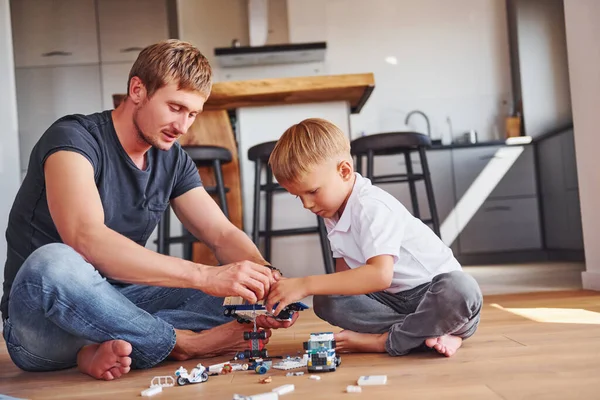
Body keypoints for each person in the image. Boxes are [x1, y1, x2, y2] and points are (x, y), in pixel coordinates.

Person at [1, 39, 295, 381]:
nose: (183, 126)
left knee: (235, 291)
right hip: (44, 323)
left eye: (193, 114)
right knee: (54, 261)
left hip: (117, 305)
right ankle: (179, 344)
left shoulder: (171, 158)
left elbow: (220, 233)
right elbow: (86, 239)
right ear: (137, 90)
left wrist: (264, 279)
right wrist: (206, 276)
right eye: (175, 107)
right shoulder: (72, 140)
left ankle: (102, 350)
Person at [265, 118, 482, 357]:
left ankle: (387, 341)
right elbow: (344, 279)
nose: (307, 204)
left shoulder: (370, 206)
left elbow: (380, 275)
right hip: (393, 301)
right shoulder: (332, 212)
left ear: (344, 171)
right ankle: (427, 332)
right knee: (327, 300)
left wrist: (304, 284)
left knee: (461, 288)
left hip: (433, 293)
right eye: (299, 197)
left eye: (313, 191)